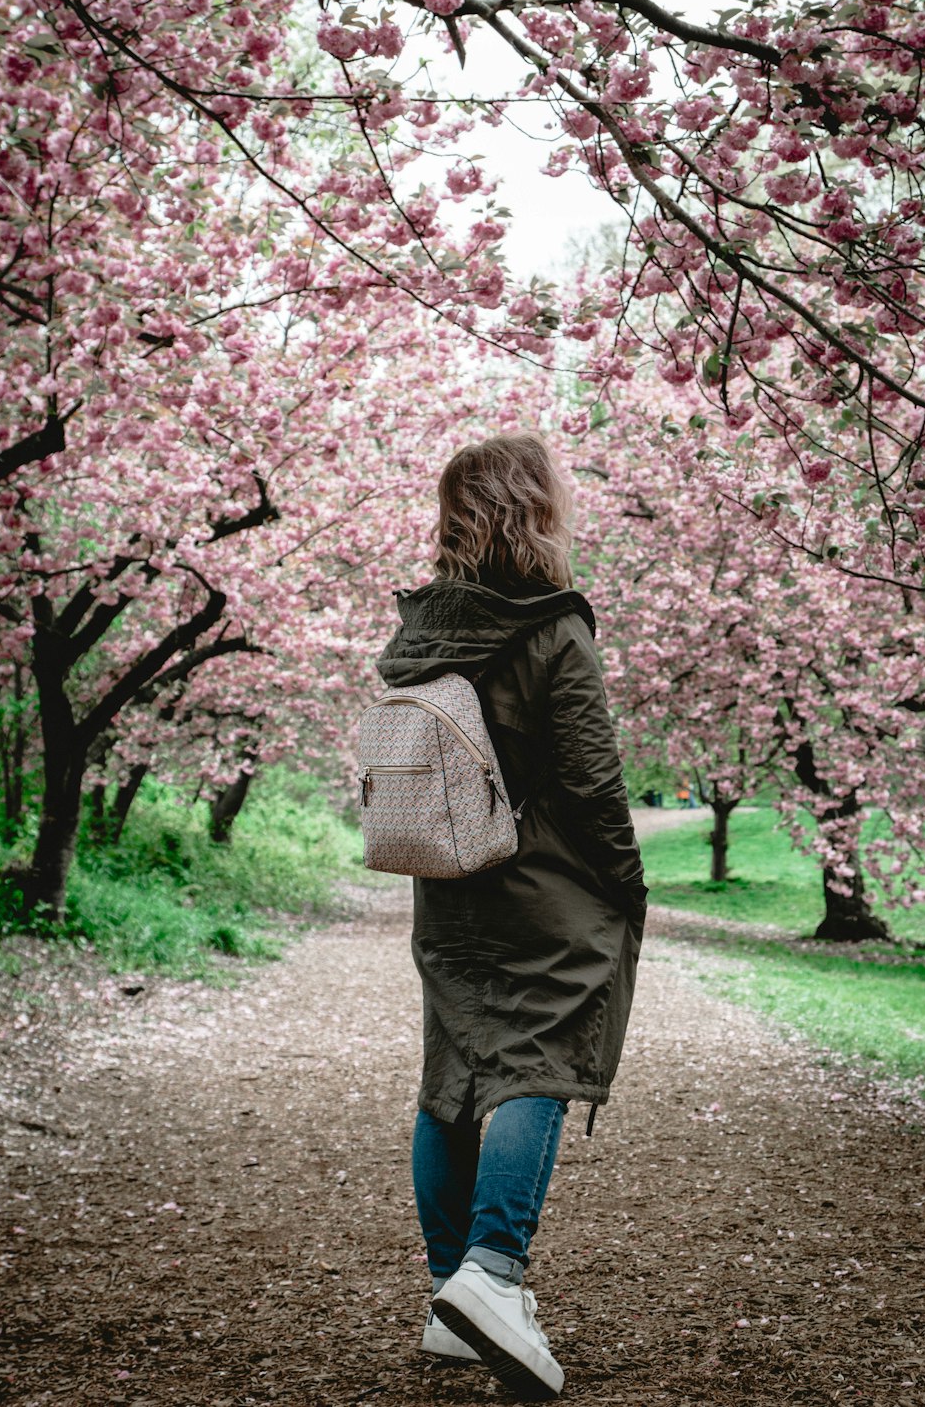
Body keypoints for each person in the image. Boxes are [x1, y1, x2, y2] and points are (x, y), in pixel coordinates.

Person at [376, 432, 648, 1401]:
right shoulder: (549, 629)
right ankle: (491, 1273)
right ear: (534, 510)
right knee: (537, 1059)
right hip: (541, 887)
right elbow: (590, 781)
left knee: (453, 1071)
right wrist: (626, 888)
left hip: (443, 882)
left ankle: (450, 1291)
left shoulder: (422, 632)